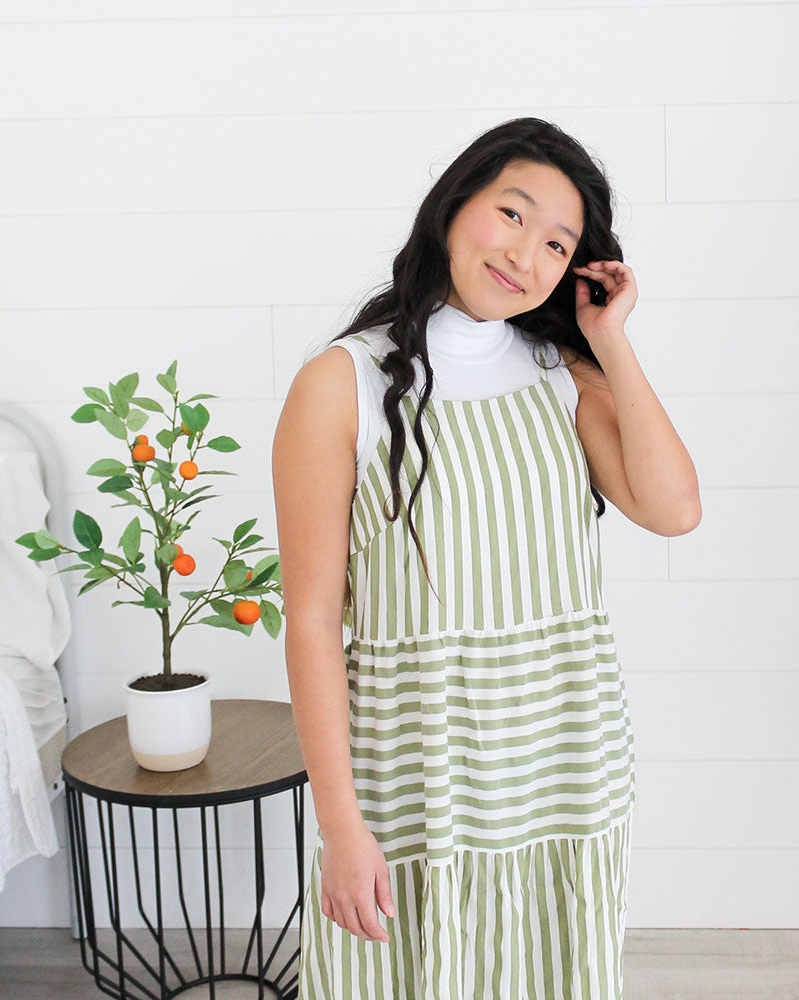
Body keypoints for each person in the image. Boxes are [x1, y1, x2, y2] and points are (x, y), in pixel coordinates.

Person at [272, 116, 701, 999]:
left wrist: (610, 340)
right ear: (455, 202)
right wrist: (341, 827)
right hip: (414, 772)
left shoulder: (562, 373)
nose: (524, 254)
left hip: (564, 764)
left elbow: (675, 510)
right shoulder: (340, 383)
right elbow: (312, 621)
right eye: (511, 214)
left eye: (556, 242)